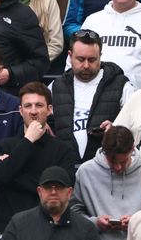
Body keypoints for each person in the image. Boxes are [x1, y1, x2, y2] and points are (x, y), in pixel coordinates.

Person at [0, 165, 109, 240]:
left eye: (58, 187)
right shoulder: (19, 223)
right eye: (48, 187)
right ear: (39, 191)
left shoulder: (86, 229)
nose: (53, 192)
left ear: (69, 193)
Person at [0, 82, 80, 228]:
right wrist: (28, 140)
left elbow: (60, 189)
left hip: (51, 226)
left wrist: (15, 174)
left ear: (49, 109)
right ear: (20, 111)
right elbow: (1, 177)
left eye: (39, 105)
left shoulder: (64, 150)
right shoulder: (4, 146)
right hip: (11, 228)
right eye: (28, 106)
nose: (33, 111)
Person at [72, 125, 141, 240]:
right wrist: (95, 223)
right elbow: (73, 213)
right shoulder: (86, 172)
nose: (118, 168)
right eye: (112, 162)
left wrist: (137, 222)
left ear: (132, 149)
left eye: (122, 162)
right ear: (104, 151)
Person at [51, 29, 133, 161]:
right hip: (66, 166)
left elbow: (134, 126)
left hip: (107, 166)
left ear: (100, 56)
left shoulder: (121, 85)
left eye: (92, 60)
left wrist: (116, 131)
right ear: (70, 56)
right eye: (81, 59)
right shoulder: (56, 86)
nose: (86, 65)